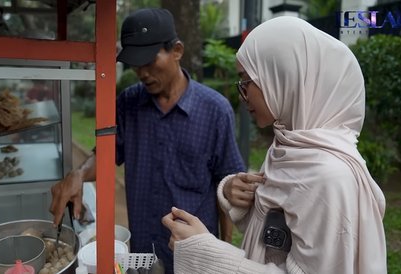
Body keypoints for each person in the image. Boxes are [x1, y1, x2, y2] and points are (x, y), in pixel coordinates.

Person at [162, 16, 387, 274]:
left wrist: (205, 253)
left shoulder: (330, 178)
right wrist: (234, 193)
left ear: (283, 76)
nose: (242, 94)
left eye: (246, 81)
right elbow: (273, 239)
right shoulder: (290, 147)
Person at [49, 8, 245, 274]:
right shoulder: (129, 103)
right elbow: (107, 155)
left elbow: (226, 188)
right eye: (135, 63)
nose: (141, 72)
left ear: (176, 50)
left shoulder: (215, 110)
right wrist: (80, 174)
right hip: (144, 249)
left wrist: (222, 251)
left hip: (194, 254)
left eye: (149, 61)